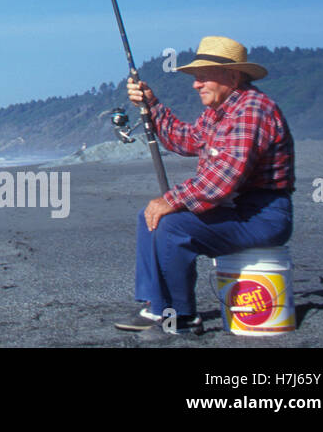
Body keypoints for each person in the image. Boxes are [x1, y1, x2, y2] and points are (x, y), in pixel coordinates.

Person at [113, 36, 295, 338]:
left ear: (233, 76)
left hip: (263, 216)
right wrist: (152, 105)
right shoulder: (220, 110)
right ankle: (155, 306)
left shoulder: (252, 109)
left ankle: (181, 317)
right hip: (236, 211)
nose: (196, 85)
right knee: (149, 217)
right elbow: (185, 140)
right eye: (196, 78)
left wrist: (172, 200)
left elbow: (225, 177)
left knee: (172, 226)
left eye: (202, 77)